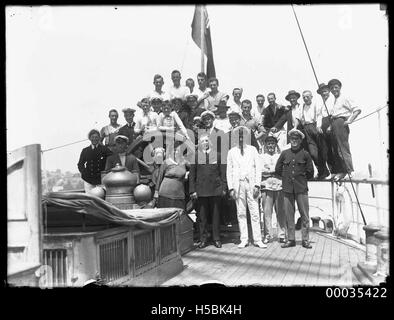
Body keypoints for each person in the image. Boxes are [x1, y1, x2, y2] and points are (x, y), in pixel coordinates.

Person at [227, 126, 266, 249]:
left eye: (243, 136)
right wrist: (231, 188)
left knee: (254, 212)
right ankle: (244, 239)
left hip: (251, 185)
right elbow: (229, 171)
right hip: (238, 185)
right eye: (239, 136)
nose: (241, 138)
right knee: (241, 213)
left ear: (247, 137)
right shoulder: (231, 152)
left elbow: (258, 168)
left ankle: (258, 239)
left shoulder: (253, 150)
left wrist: (257, 185)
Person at [275, 128, 314, 249]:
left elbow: (310, 172)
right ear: (290, 139)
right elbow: (278, 169)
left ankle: (305, 240)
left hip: (301, 188)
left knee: (305, 216)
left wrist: (300, 179)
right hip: (287, 189)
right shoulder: (285, 153)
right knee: (288, 215)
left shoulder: (305, 154)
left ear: (301, 140)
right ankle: (290, 239)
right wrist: (286, 178)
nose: (294, 141)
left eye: (297, 139)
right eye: (292, 138)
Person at [189, 134, 227, 249]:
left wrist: (223, 188)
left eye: (206, 141)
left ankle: (216, 238)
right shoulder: (195, 156)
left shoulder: (218, 156)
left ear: (209, 142)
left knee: (216, 215)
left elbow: (223, 174)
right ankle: (203, 239)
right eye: (202, 141)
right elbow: (192, 176)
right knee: (202, 216)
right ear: (199, 144)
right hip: (201, 191)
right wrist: (192, 191)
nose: (204, 143)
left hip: (215, 190)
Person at [327, 78, 361, 181]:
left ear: (340, 87)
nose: (334, 90)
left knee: (343, 148)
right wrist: (330, 126)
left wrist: (349, 120)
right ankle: (342, 171)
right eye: (332, 88)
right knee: (336, 149)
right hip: (334, 124)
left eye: (336, 87)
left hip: (341, 123)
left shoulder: (345, 97)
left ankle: (350, 171)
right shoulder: (335, 100)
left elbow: (357, 109)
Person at [260, 134, 286, 244]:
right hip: (266, 187)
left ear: (276, 145)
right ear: (265, 145)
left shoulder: (280, 156)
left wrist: (270, 171)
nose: (271, 145)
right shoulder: (260, 157)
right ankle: (267, 235)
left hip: (279, 187)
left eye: (273, 144)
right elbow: (261, 171)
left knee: (281, 212)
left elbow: (283, 170)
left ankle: (281, 235)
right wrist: (273, 171)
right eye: (268, 143)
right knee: (267, 212)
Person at [299, 90, 330, 178]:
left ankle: (325, 172)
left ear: (311, 97)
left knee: (322, 151)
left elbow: (319, 115)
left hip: (315, 127)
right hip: (307, 129)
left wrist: (319, 126)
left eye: (307, 96)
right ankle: (323, 171)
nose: (305, 98)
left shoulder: (316, 104)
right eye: (304, 97)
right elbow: (298, 118)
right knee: (313, 153)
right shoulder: (302, 107)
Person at [153, 141, 188, 210]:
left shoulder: (184, 163)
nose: (177, 152)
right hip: (165, 195)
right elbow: (160, 178)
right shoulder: (166, 162)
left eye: (179, 150)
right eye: (175, 150)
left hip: (179, 195)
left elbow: (194, 169)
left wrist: (188, 173)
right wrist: (156, 192)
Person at [78, 129, 112, 193]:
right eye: (92, 137)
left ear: (99, 138)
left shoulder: (104, 149)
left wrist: (107, 172)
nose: (94, 139)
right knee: (90, 198)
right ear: (90, 138)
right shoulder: (85, 150)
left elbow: (112, 158)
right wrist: (85, 173)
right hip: (88, 180)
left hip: (101, 180)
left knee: (102, 197)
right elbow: (80, 164)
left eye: (96, 137)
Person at [316, 83, 335, 176]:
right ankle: (332, 171)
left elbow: (335, 113)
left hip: (331, 123)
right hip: (323, 125)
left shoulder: (333, 100)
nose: (324, 93)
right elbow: (319, 115)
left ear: (329, 91)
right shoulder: (321, 103)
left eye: (325, 91)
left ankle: (340, 170)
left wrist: (331, 125)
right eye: (322, 92)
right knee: (325, 150)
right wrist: (318, 126)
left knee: (334, 148)